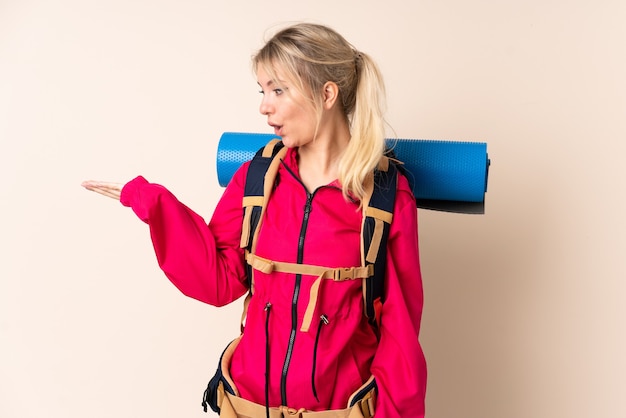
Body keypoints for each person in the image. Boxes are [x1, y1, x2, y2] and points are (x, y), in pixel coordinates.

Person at [82, 22, 427, 417]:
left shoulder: (385, 195)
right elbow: (217, 279)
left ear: (327, 93)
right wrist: (154, 203)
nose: (265, 106)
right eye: (263, 91)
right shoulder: (256, 178)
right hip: (247, 404)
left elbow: (401, 331)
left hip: (340, 409)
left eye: (278, 90)